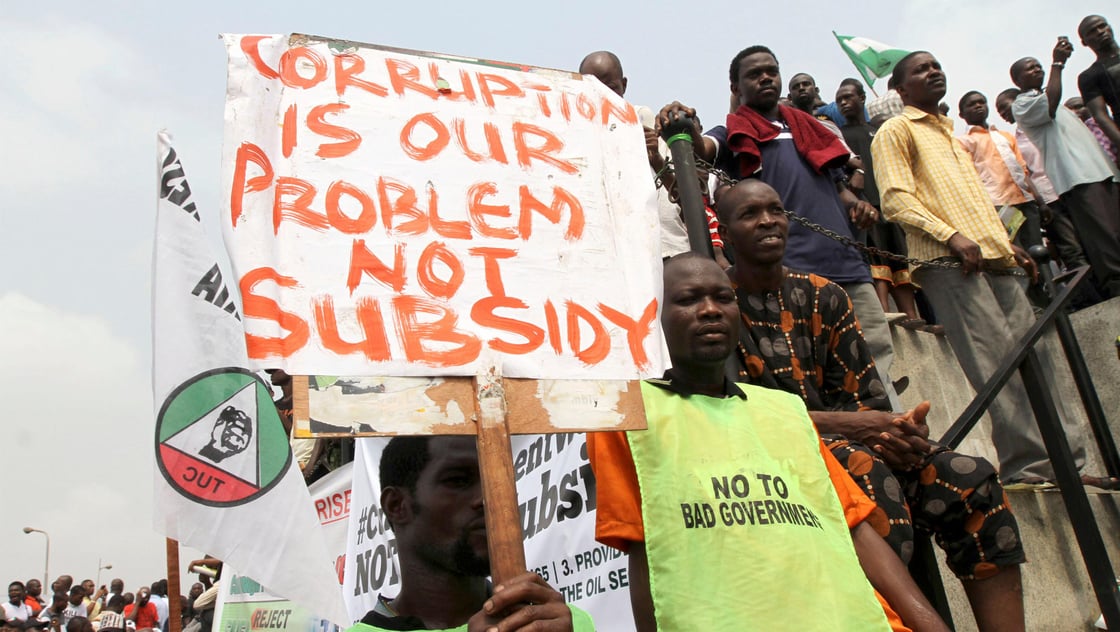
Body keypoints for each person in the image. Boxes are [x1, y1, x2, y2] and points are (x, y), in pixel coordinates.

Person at [719, 179, 1027, 631]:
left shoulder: (826, 295)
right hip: (776, 464)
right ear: (724, 233)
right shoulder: (718, 308)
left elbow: (866, 400)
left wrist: (897, 434)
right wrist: (859, 430)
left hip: (854, 446)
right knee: (865, 470)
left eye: (776, 210)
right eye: (750, 214)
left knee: (970, 478)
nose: (768, 221)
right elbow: (739, 413)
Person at [588, 253, 949, 631]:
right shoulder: (628, 413)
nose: (710, 310)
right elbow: (644, 553)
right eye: (688, 299)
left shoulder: (786, 410)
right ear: (651, 315)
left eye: (723, 298)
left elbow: (855, 529)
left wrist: (931, 625)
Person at [872, 51, 1093, 488]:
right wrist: (951, 235)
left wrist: (1006, 243)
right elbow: (896, 200)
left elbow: (975, 203)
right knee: (998, 367)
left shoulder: (951, 136)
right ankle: (1029, 467)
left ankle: (1072, 465)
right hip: (949, 263)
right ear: (900, 89)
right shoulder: (896, 130)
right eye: (921, 70)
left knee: (1039, 361)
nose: (933, 72)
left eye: (936, 65)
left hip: (995, 260)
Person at [658, 45, 902, 410]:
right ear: (736, 87)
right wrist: (685, 124)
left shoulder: (811, 129)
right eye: (754, 74)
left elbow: (839, 188)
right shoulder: (733, 132)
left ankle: (888, 431)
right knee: (802, 377)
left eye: (771, 71)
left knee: (876, 361)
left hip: (845, 264)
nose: (766, 78)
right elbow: (702, 149)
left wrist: (859, 206)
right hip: (788, 272)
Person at [347, 435, 594, 632]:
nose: (489, 498)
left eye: (496, 482)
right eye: (458, 481)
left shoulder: (561, 623)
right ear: (396, 505)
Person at [1011, 43, 1120, 299]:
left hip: (1102, 171)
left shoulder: (1057, 101)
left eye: (1038, 65)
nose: (1037, 69)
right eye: (1030, 68)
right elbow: (1049, 106)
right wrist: (1057, 64)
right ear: (1017, 80)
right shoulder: (1023, 104)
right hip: (1077, 177)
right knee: (1104, 238)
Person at [995, 88, 1100, 306]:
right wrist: (1041, 202)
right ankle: (1090, 299)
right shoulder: (1014, 139)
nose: (1003, 114)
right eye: (1000, 111)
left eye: (1005, 107)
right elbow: (1026, 173)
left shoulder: (1047, 125)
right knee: (1070, 249)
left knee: (1093, 240)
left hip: (1071, 186)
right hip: (1049, 197)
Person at [837, 78, 923, 326]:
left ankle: (912, 316)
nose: (844, 103)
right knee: (876, 259)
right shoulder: (840, 135)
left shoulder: (880, 131)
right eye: (840, 100)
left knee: (899, 258)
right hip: (864, 204)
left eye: (848, 97)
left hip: (890, 203)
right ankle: (884, 313)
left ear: (862, 98)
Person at [956, 91, 1045, 256]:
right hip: (999, 205)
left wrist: (1040, 201)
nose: (978, 106)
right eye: (972, 104)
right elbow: (968, 178)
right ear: (962, 114)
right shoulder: (963, 142)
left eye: (982, 102)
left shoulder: (1006, 136)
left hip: (1026, 201)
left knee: (1038, 250)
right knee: (1016, 253)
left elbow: (1023, 170)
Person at [1078, 14, 1120, 163]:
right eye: (1092, 31)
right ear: (1084, 42)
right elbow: (1100, 115)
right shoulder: (1089, 76)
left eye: (1102, 26)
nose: (1100, 32)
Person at [1066, 96, 1118, 161]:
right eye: (1069, 110)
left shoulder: (1096, 124)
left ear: (1090, 108)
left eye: (1078, 107)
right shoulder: (1070, 133)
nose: (1073, 112)